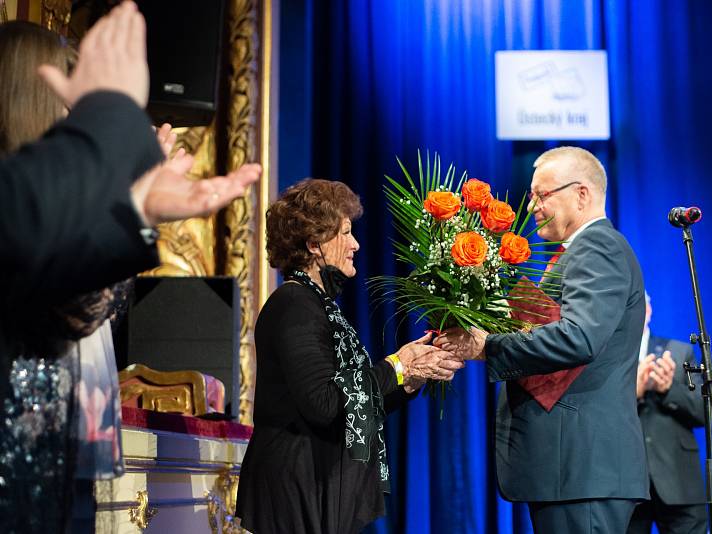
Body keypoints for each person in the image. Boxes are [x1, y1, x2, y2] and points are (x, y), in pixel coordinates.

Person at [0, 3, 261, 531]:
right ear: (32, 98)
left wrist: (137, 209)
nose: (75, 116)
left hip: (49, 453)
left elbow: (75, 314)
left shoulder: (44, 220)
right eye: (70, 102)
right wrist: (110, 130)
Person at [435, 146, 649, 533]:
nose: (531, 205)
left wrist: (488, 346)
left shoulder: (597, 247)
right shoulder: (577, 253)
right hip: (572, 471)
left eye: (542, 194)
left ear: (581, 194)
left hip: (582, 469)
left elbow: (578, 338)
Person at [235, 178, 463, 534]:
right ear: (314, 244)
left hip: (315, 477)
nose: (356, 244)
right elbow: (325, 403)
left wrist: (411, 377)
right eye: (345, 232)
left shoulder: (318, 305)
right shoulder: (295, 304)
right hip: (294, 485)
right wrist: (397, 365)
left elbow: (354, 405)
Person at [627, 293, 706, 534]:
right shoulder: (607, 357)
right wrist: (635, 393)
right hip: (627, 485)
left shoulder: (679, 352)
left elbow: (705, 413)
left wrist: (667, 389)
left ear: (649, 311)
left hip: (679, 481)